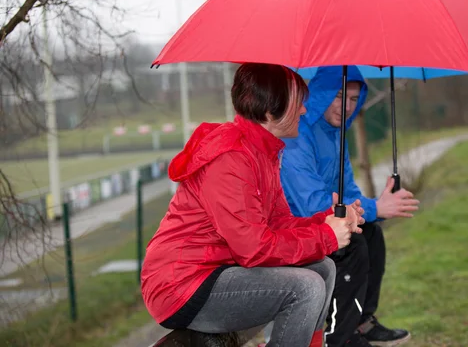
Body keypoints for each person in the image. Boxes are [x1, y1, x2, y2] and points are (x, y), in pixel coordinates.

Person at [141, 63, 365, 347]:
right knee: (305, 287)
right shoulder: (231, 157)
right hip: (182, 284)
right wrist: (325, 237)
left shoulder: (262, 152)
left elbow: (279, 224)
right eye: (298, 104)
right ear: (271, 111)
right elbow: (254, 248)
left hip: (218, 270)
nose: (304, 111)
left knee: (323, 268)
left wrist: (326, 221)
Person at [280, 65, 420, 347]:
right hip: (294, 231)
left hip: (323, 221)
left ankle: (361, 322)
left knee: (369, 233)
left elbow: (349, 191)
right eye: (339, 95)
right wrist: (375, 208)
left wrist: (373, 209)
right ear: (319, 94)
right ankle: (340, 339)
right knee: (351, 245)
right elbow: (310, 205)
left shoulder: (336, 134)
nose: (347, 106)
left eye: (354, 99)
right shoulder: (298, 135)